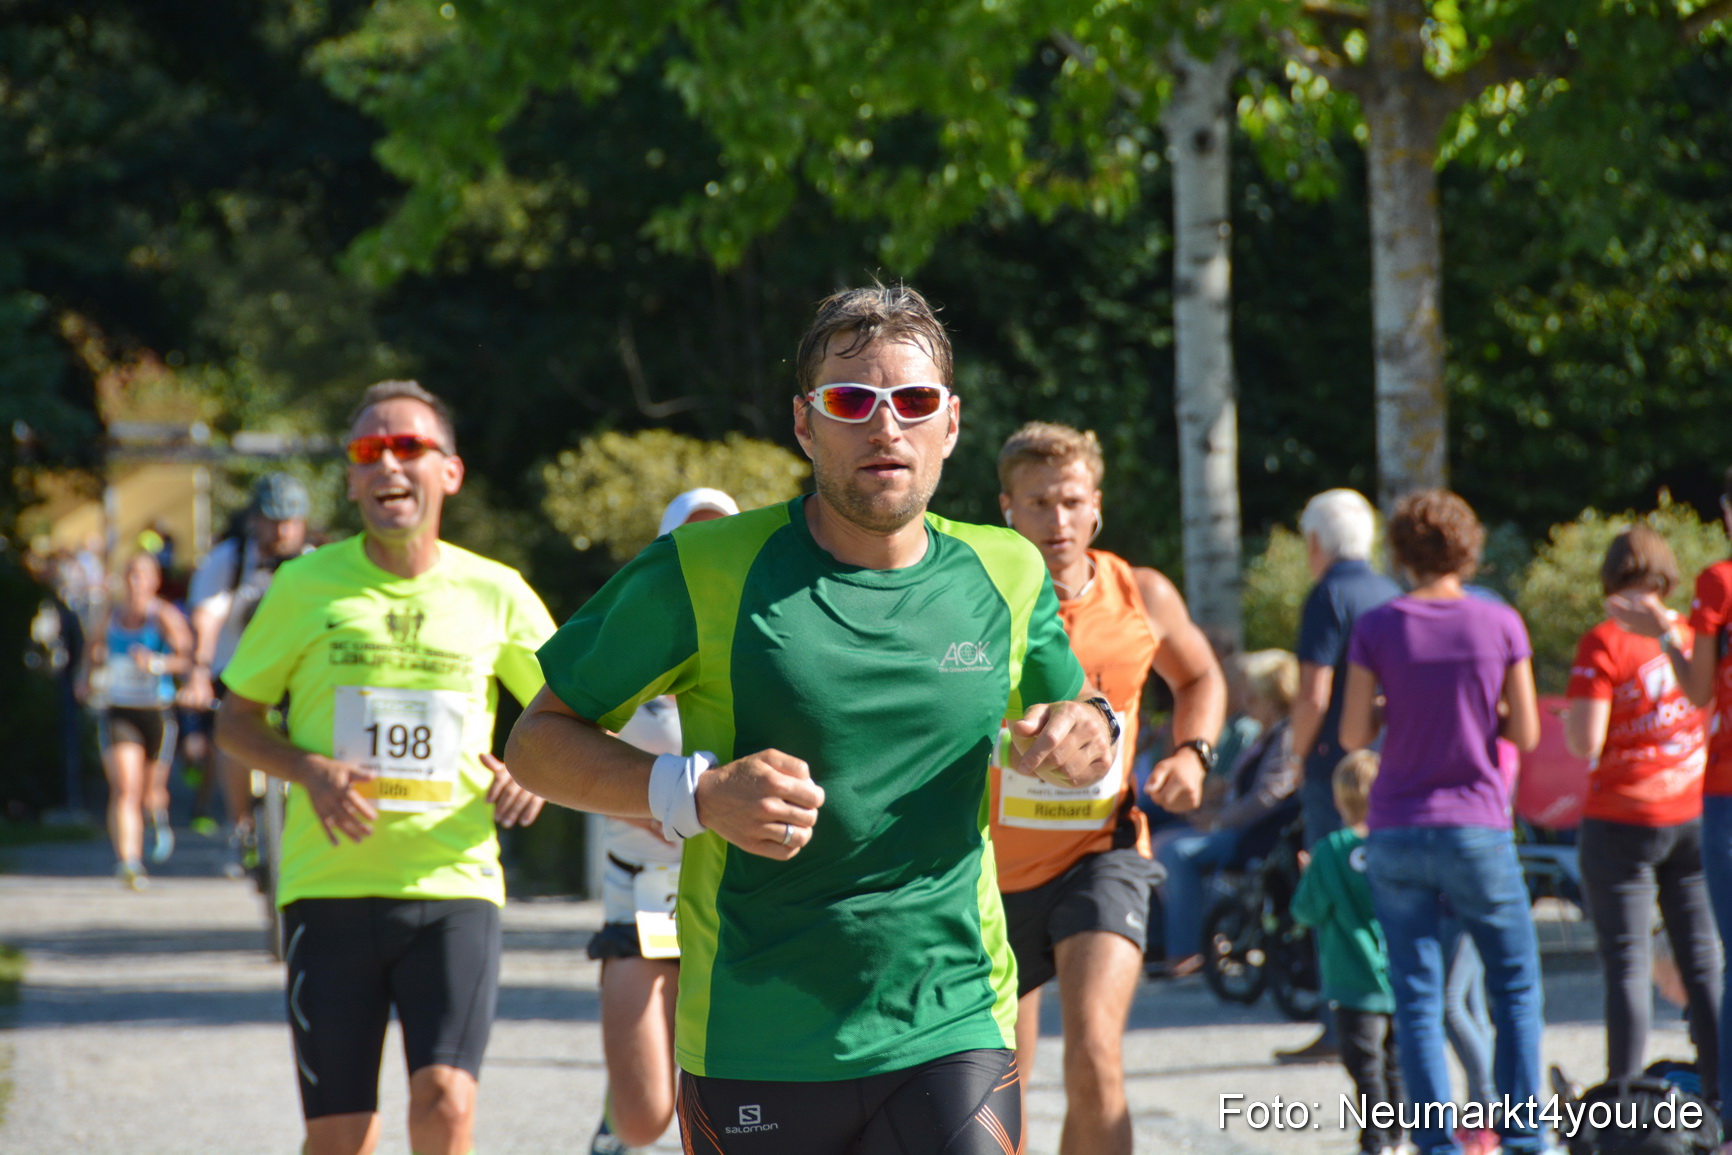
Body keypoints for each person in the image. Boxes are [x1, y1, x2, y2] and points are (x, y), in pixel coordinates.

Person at [505, 284, 1149, 1155]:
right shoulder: (700, 567)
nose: (886, 427)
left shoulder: (1008, 569)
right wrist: (692, 791)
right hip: (754, 1029)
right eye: (852, 401)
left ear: (950, 423)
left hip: (951, 1012)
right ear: (806, 425)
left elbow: (1076, 714)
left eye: (913, 401)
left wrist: (1088, 733)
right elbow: (536, 741)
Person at [215, 380, 554, 1155]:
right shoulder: (304, 585)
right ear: (351, 477)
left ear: (451, 472)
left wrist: (532, 772)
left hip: (454, 884)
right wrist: (310, 770)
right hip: (327, 885)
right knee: (341, 1138)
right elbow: (234, 719)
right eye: (370, 451)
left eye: (408, 446)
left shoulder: (496, 592)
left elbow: (565, 719)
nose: (389, 463)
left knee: (446, 1102)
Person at [989, 421, 1223, 1155]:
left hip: (1102, 852)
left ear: (1096, 507)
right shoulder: (975, 597)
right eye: (1037, 503)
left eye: (1070, 501)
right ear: (1007, 509)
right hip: (988, 875)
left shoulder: (1139, 591)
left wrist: (1193, 753)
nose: (1056, 521)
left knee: (1094, 1052)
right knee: (999, 1088)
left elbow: (1200, 674)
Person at [1340, 488, 1544, 1155]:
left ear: (1399, 551)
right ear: (1470, 547)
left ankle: (1436, 1145)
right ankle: (1524, 1135)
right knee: (1512, 981)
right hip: (1475, 822)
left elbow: (1351, 732)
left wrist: (1389, 706)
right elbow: (1530, 730)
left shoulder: (1378, 624)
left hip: (1397, 821)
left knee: (1417, 995)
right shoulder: (1501, 623)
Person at [587, 487, 740, 1155]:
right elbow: (553, 752)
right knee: (647, 1116)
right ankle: (615, 1113)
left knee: (724, 1114)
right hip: (640, 891)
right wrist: (641, 797)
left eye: (720, 539)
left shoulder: (762, 638)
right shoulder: (624, 637)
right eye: (690, 538)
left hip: (734, 898)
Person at [1566, 525, 1720, 1098]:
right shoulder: (1686, 633)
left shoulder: (1604, 641)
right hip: (1693, 812)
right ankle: (1718, 1093)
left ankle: (1624, 1101)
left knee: (1627, 964)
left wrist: (1573, 728)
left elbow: (1587, 740)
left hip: (1621, 816)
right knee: (1703, 961)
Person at [1606, 480, 1732, 1120]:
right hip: (1689, 803)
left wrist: (1662, 634)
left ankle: (1709, 1107)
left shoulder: (1719, 583)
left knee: (1651, 958)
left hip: (1699, 796)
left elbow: (1700, 690)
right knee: (1707, 958)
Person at [1279, 488, 1401, 1063]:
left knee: (1333, 887)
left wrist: (1293, 754)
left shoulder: (1327, 595)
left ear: (1315, 542)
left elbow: (1313, 692)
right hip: (1393, 760)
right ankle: (1397, 1013)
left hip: (1337, 765)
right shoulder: (1391, 591)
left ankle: (1341, 1023)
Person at [184, 471, 312, 874]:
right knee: (233, 737)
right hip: (236, 671)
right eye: (273, 520)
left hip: (295, 678)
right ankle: (242, 826)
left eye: (290, 520)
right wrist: (198, 672)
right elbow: (207, 616)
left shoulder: (314, 564)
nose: (282, 530)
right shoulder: (229, 559)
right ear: (255, 519)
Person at [1153, 649, 1297, 977]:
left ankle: (1187, 950)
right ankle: (1183, 941)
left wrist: (1219, 820)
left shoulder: (1286, 736)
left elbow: (1267, 797)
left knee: (1175, 852)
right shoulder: (1267, 734)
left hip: (1258, 835)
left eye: (1252, 694)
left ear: (1270, 697)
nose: (1245, 700)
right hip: (1239, 827)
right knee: (1163, 842)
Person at [1291, 750, 1403, 1155]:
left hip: (1352, 980)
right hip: (1397, 974)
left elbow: (1306, 911)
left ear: (1339, 799)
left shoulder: (1331, 849)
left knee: (1364, 1065)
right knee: (1395, 1063)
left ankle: (1374, 1139)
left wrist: (1310, 877)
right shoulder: (1394, 844)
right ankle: (1398, 1135)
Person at [87, 553, 192, 888]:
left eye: (141, 576)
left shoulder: (163, 615)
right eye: (130, 574)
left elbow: (187, 659)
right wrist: (86, 676)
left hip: (155, 710)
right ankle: (129, 863)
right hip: (120, 708)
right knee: (124, 787)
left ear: (154, 581)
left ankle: (157, 819)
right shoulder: (110, 615)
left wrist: (157, 663)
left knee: (150, 792)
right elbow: (91, 650)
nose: (135, 582)